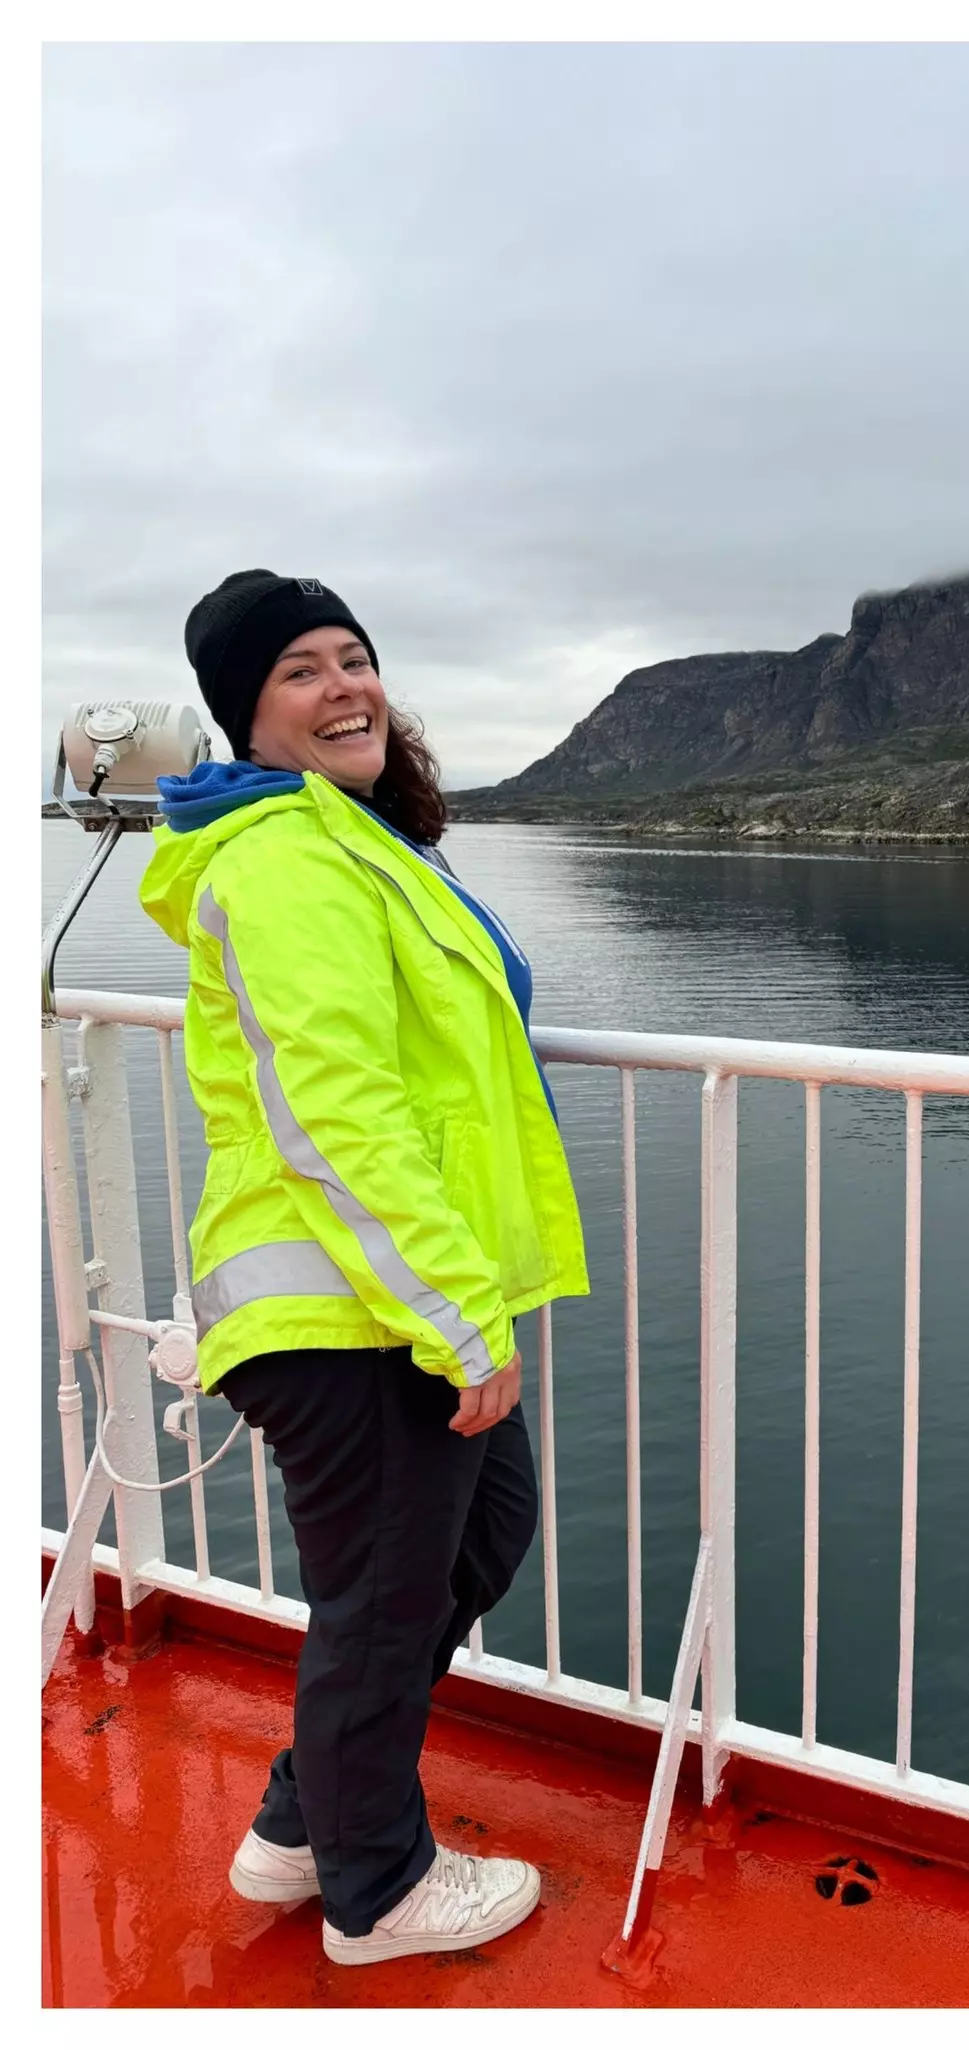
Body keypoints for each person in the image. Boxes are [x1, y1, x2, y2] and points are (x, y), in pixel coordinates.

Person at [139, 570, 589, 1966]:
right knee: (387, 1596)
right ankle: (377, 1891)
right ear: (245, 717)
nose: (345, 686)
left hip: (385, 1297)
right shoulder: (283, 863)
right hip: (348, 1309)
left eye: (355, 657)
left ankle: (296, 1824)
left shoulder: (349, 839)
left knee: (470, 1540)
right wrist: (458, 1320)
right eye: (300, 671)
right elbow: (335, 1111)